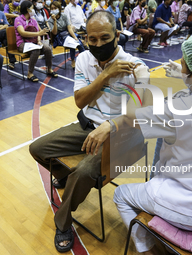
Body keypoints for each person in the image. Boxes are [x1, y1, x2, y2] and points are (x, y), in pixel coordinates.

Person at [98, 33, 192, 255]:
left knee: (121, 194)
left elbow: (130, 114)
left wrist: (142, 79)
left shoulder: (177, 109)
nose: (180, 65)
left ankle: (147, 249)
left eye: (183, 63)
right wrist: (186, 80)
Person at [29, 10, 147, 253]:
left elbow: (143, 111)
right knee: (37, 148)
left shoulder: (137, 68)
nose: (98, 44)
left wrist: (111, 126)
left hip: (120, 134)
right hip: (87, 126)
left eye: (105, 37)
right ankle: (66, 175)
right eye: (92, 39)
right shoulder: (84, 59)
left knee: (83, 172)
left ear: (117, 34)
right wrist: (105, 76)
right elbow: (80, 101)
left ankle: (63, 221)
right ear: (86, 38)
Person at [14, 0, 57, 82]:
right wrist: (38, 33)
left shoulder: (33, 20)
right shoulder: (18, 19)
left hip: (33, 43)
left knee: (47, 48)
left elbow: (37, 32)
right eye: (32, 8)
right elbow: (22, 33)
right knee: (36, 50)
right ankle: (30, 73)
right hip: (22, 43)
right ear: (27, 9)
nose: (33, 10)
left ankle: (49, 69)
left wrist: (39, 41)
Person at [47, 1, 85, 68]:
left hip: (67, 34)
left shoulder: (64, 16)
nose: (53, 10)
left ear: (58, 9)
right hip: (59, 37)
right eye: (52, 8)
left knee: (78, 43)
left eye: (55, 8)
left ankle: (85, 60)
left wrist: (74, 37)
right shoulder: (50, 20)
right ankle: (73, 60)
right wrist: (55, 21)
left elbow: (69, 28)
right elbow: (55, 32)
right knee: (72, 43)